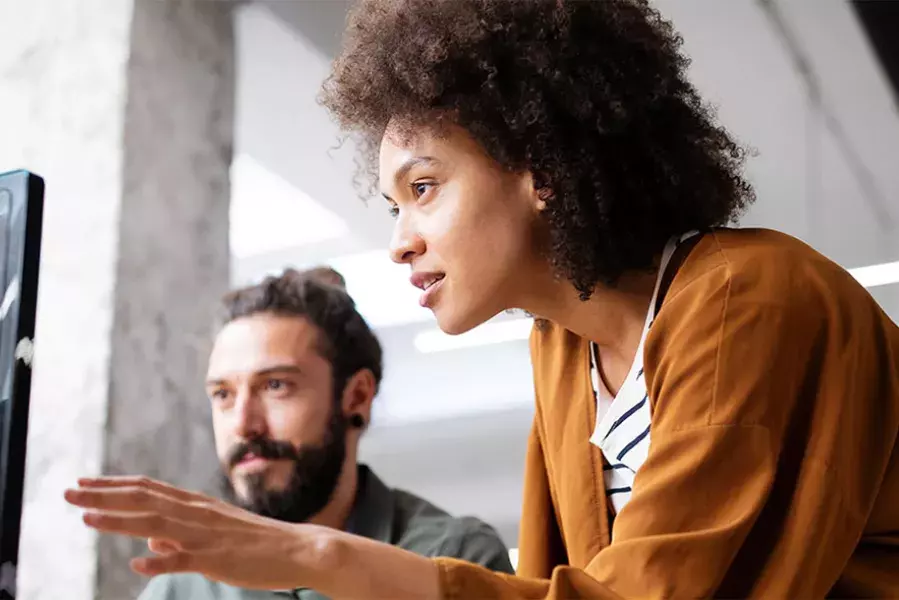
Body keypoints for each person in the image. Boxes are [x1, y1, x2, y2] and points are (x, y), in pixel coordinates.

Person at [64, 1, 899, 598]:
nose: (399, 239)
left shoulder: (743, 300)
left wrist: (323, 559)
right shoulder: (563, 347)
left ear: (540, 165)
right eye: (394, 206)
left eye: (424, 187)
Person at [134, 267, 514, 600]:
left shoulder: (453, 560)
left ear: (357, 396)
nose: (243, 424)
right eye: (223, 395)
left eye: (276, 386)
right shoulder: (183, 582)